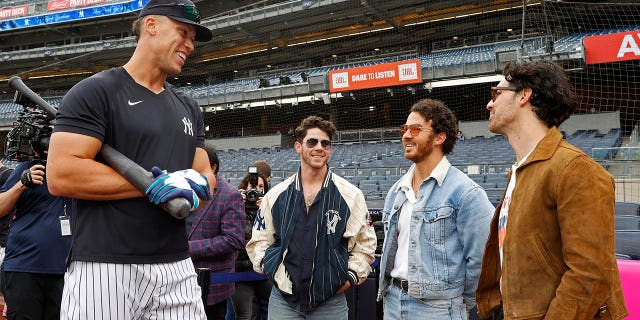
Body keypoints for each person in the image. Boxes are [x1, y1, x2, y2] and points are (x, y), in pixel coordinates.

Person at [46, 0, 216, 319]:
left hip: (177, 265)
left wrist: (192, 183)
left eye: (193, 37)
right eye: (182, 32)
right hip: (105, 266)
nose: (190, 45)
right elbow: (62, 173)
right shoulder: (95, 92)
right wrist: (153, 185)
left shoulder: (189, 107)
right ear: (150, 26)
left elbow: (206, 174)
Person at [476, 60, 628, 319]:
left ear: (524, 95)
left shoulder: (576, 169)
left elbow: (590, 274)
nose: (490, 104)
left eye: (496, 93)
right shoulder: (520, 170)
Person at [246, 115, 377, 319]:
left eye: (325, 143)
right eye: (312, 142)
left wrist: (348, 279)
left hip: (331, 302)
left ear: (330, 149)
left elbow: (364, 244)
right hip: (284, 302)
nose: (319, 147)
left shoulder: (351, 195)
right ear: (298, 146)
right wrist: (271, 269)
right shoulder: (276, 195)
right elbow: (260, 240)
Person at [376, 99, 494, 320]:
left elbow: (482, 259)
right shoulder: (397, 190)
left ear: (440, 137)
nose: (406, 135)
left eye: (415, 129)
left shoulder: (466, 193)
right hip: (393, 302)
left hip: (438, 309)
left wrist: (457, 302)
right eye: (405, 129)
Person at [0, 157, 72, 319]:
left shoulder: (76, 171)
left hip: (66, 270)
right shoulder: (27, 168)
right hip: (24, 266)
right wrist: (21, 184)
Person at [188, 145, 245, 320]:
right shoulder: (184, 189)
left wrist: (189, 248)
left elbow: (233, 239)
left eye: (194, 165)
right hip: (181, 281)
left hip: (212, 288)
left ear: (212, 167)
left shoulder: (229, 194)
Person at [233, 170, 272, 320]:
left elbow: (275, 238)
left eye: (261, 187)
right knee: (245, 316)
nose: (255, 192)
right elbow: (236, 239)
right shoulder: (235, 205)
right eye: (253, 187)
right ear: (244, 188)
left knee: (274, 310)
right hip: (241, 271)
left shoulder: (270, 205)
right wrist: (236, 206)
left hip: (264, 270)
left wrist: (268, 209)